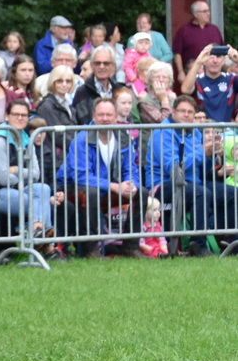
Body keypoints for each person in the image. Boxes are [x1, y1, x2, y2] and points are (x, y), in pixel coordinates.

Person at [57, 97, 142, 257]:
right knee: (91, 193)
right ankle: (91, 249)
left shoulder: (124, 138)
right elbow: (80, 176)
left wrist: (131, 184)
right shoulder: (81, 139)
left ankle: (131, 246)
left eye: (109, 115)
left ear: (116, 117)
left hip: (107, 187)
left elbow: (130, 168)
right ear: (93, 116)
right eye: (101, 115)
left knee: (141, 193)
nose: (105, 119)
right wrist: (114, 186)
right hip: (73, 188)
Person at [144, 95, 221, 255]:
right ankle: (198, 245)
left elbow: (202, 169)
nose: (186, 115)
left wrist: (210, 155)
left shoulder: (195, 132)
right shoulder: (163, 132)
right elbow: (172, 169)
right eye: (182, 111)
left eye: (190, 112)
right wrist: (201, 152)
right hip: (163, 185)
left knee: (231, 194)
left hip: (192, 182)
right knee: (201, 193)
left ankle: (231, 242)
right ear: (173, 111)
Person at [0, 97, 61, 243]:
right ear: (6, 116)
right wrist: (24, 174)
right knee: (37, 200)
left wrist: (16, 170)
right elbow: (3, 179)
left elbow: (36, 175)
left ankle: (35, 232)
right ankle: (46, 244)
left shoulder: (26, 140)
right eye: (15, 114)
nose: (20, 118)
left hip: (19, 189)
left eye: (24, 115)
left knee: (43, 189)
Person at [181, 44, 238, 123]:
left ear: (223, 61)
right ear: (204, 60)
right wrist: (198, 62)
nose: (215, 61)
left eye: (219, 57)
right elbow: (185, 89)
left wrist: (237, 59)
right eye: (211, 56)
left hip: (226, 132)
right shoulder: (197, 80)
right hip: (202, 132)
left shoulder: (232, 79)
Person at [172, 0, 223, 79]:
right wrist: (180, 71)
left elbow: (222, 51)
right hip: (192, 74)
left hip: (213, 73)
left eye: (208, 11)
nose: (208, 14)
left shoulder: (214, 29)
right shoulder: (184, 30)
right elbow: (177, 53)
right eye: (205, 11)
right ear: (195, 14)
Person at [71, 45, 120, 122]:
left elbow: (127, 118)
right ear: (92, 66)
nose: (101, 67)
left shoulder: (119, 89)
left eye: (106, 63)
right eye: (98, 63)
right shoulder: (82, 92)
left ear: (113, 66)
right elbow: (82, 121)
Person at [136, 61, 178, 126]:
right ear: (150, 80)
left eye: (164, 77)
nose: (161, 80)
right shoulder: (145, 101)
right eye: (157, 77)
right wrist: (164, 100)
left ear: (169, 81)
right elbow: (164, 123)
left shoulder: (173, 98)